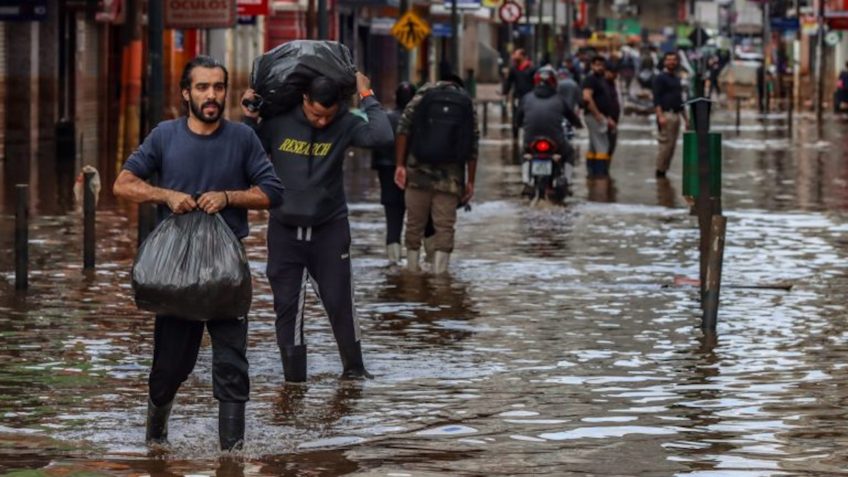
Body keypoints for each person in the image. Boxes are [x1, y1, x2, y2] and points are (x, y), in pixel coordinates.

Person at [112, 56, 285, 451]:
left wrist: (228, 197)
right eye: (203, 88)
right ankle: (156, 440)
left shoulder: (243, 138)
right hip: (176, 274)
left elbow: (272, 191)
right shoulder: (164, 136)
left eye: (219, 87)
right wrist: (166, 194)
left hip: (226, 272)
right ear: (186, 93)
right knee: (170, 367)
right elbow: (123, 184)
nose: (212, 96)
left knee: (231, 366)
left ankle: (231, 455)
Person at [241, 72, 393, 383]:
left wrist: (367, 95)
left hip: (330, 228)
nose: (322, 121)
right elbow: (246, 149)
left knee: (340, 302)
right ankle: (294, 383)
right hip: (284, 228)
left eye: (328, 115)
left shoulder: (346, 123)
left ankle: (354, 372)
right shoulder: (278, 121)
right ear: (304, 100)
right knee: (288, 307)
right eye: (315, 114)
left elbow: (382, 137)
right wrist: (249, 116)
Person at [394, 73, 479, 274]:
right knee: (445, 227)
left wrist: (400, 165)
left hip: (418, 172)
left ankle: (412, 273)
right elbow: (473, 145)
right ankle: (441, 278)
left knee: (414, 224)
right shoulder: (466, 102)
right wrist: (470, 182)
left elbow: (403, 129)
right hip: (451, 178)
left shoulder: (424, 93)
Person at [371, 82, 436, 263]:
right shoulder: (423, 120)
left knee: (393, 221)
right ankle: (431, 264)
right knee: (426, 220)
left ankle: (393, 265)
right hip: (418, 175)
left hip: (388, 174)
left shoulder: (386, 119)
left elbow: (376, 149)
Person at [517, 66, 582, 164]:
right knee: (569, 153)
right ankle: (567, 178)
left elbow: (518, 119)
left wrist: (519, 124)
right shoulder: (559, 99)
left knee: (524, 154)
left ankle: (526, 177)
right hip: (556, 141)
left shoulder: (526, 98)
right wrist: (578, 124)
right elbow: (571, 117)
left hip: (530, 141)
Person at [652, 51, 689, 178]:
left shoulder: (677, 78)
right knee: (665, 145)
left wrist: (686, 119)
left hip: (676, 115)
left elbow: (680, 100)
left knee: (672, 146)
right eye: (669, 59)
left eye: (674, 59)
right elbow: (656, 98)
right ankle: (659, 171)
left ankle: (664, 171)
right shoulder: (660, 78)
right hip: (666, 115)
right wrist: (660, 115)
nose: (671, 62)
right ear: (664, 61)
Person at [582, 56, 617, 177]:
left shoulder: (601, 79)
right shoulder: (591, 79)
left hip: (600, 116)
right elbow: (587, 97)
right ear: (592, 65)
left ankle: (591, 172)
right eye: (597, 64)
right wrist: (598, 115)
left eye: (602, 65)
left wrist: (608, 117)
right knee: (603, 145)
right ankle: (600, 174)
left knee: (593, 145)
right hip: (594, 116)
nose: (599, 67)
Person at [503, 49, 536, 139]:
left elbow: (536, 82)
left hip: (529, 97)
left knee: (529, 116)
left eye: (517, 54)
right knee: (516, 116)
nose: (514, 56)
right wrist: (505, 92)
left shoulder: (532, 68)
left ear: (523, 56)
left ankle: (528, 135)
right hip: (517, 97)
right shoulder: (514, 69)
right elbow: (509, 82)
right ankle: (515, 136)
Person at [604, 61, 622, 161]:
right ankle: (600, 172)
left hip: (614, 121)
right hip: (606, 121)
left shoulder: (614, 84)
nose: (615, 75)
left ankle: (605, 171)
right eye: (613, 73)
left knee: (611, 146)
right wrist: (607, 118)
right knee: (605, 147)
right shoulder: (603, 84)